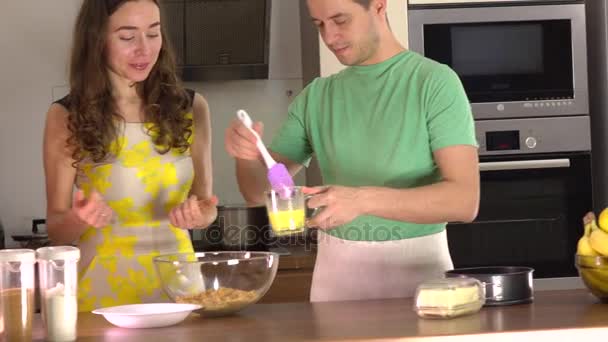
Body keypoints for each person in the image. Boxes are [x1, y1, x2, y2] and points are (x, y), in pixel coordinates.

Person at [225, 0, 479, 302]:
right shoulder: (317, 97)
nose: (330, 37)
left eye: (340, 20)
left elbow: (464, 201)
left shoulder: (434, 83)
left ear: (379, 6)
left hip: (423, 285)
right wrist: (245, 155)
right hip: (336, 283)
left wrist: (362, 200)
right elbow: (259, 193)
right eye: (319, 24)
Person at [43, 0, 217, 311]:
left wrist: (201, 215)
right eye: (127, 37)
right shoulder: (66, 115)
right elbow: (57, 230)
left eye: (154, 33)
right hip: (102, 294)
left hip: (180, 292)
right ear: (96, 40)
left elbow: (206, 203)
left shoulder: (192, 107)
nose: (144, 49)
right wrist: (78, 218)